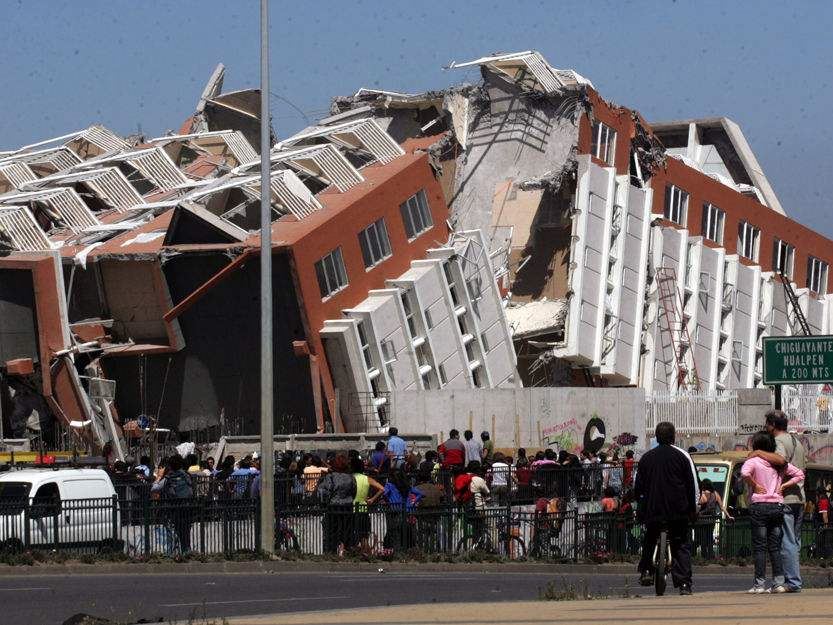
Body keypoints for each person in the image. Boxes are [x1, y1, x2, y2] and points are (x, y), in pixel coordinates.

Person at [634, 421, 698, 595]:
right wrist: (693, 509)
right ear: (673, 436)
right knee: (681, 544)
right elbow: (692, 485)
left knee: (649, 538)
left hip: (652, 509)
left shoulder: (646, 458)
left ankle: (646, 570)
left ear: (656, 437)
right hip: (677, 509)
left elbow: (637, 487)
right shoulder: (683, 456)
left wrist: (640, 504)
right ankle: (684, 583)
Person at [747, 410, 807, 592]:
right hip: (799, 497)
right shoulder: (797, 442)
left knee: (785, 541)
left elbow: (780, 460)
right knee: (794, 541)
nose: (766, 427)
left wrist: (758, 452)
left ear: (772, 425)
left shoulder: (780, 442)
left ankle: (791, 582)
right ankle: (793, 579)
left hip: (785, 498)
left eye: (767, 424)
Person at [150, 454, 194, 552]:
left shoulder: (169, 477)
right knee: (186, 535)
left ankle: (172, 555)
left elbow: (154, 488)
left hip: (173, 510)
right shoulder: (187, 475)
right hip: (187, 508)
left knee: (173, 534)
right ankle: (187, 553)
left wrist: (158, 478)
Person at [316, 453, 357, 555]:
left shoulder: (331, 477)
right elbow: (354, 490)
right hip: (348, 507)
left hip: (334, 506)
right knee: (347, 532)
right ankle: (347, 551)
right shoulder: (351, 477)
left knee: (332, 532)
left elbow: (325, 491)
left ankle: (331, 552)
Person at [695, 479, 731, 560]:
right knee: (709, 538)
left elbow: (699, 503)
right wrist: (728, 516)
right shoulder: (715, 494)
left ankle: (704, 556)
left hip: (702, 520)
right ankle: (710, 555)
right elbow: (722, 507)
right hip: (712, 520)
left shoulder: (703, 493)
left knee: (702, 538)